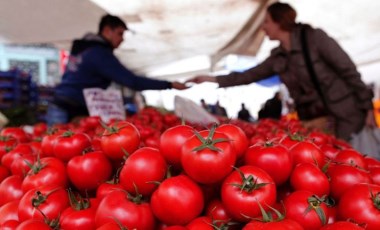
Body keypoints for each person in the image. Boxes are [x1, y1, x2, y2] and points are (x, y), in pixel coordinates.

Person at [186, 2, 376, 141]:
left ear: (280, 22)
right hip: (314, 120)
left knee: (352, 161)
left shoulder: (314, 38)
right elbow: (249, 75)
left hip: (344, 115)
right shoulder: (278, 57)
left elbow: (348, 71)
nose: (263, 27)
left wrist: (367, 107)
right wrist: (211, 79)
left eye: (267, 22)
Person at [47, 14, 187, 126]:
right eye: (120, 33)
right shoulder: (99, 53)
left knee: (59, 148)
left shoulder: (85, 47)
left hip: (64, 103)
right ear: (107, 31)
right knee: (57, 147)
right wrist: (169, 85)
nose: (122, 39)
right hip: (68, 107)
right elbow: (132, 81)